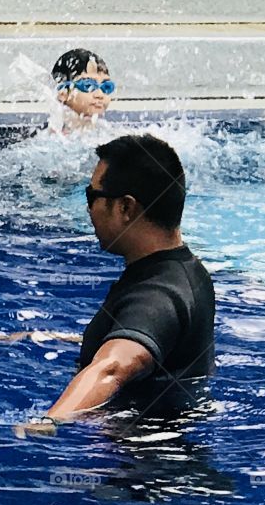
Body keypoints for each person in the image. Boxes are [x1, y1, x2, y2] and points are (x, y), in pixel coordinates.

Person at [17, 134, 215, 437]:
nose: (88, 209)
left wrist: (47, 422)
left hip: (140, 469)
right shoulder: (185, 269)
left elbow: (113, 367)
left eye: (91, 196)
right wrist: (53, 337)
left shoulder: (157, 295)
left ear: (126, 208)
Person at [52, 48, 115, 129]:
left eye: (106, 86)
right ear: (62, 93)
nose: (100, 95)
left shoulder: (106, 130)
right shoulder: (51, 134)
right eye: (88, 86)